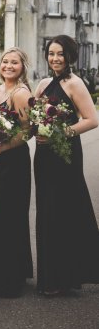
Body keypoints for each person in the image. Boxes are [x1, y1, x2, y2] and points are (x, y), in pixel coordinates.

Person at [34, 35, 99, 296]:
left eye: (60, 54)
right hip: (43, 157)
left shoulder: (75, 84)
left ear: (70, 56)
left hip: (65, 155)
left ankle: (64, 277)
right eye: (51, 53)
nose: (55, 58)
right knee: (47, 212)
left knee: (66, 211)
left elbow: (92, 119)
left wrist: (61, 134)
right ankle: (50, 274)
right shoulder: (43, 83)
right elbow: (33, 115)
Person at [0, 48, 33, 297]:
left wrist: (2, 147)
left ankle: (7, 282)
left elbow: (27, 131)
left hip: (14, 162)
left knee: (4, 219)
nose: (8, 66)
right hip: (0, 161)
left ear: (22, 67)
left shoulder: (21, 93)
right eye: (5, 61)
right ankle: (1, 275)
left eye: (14, 62)